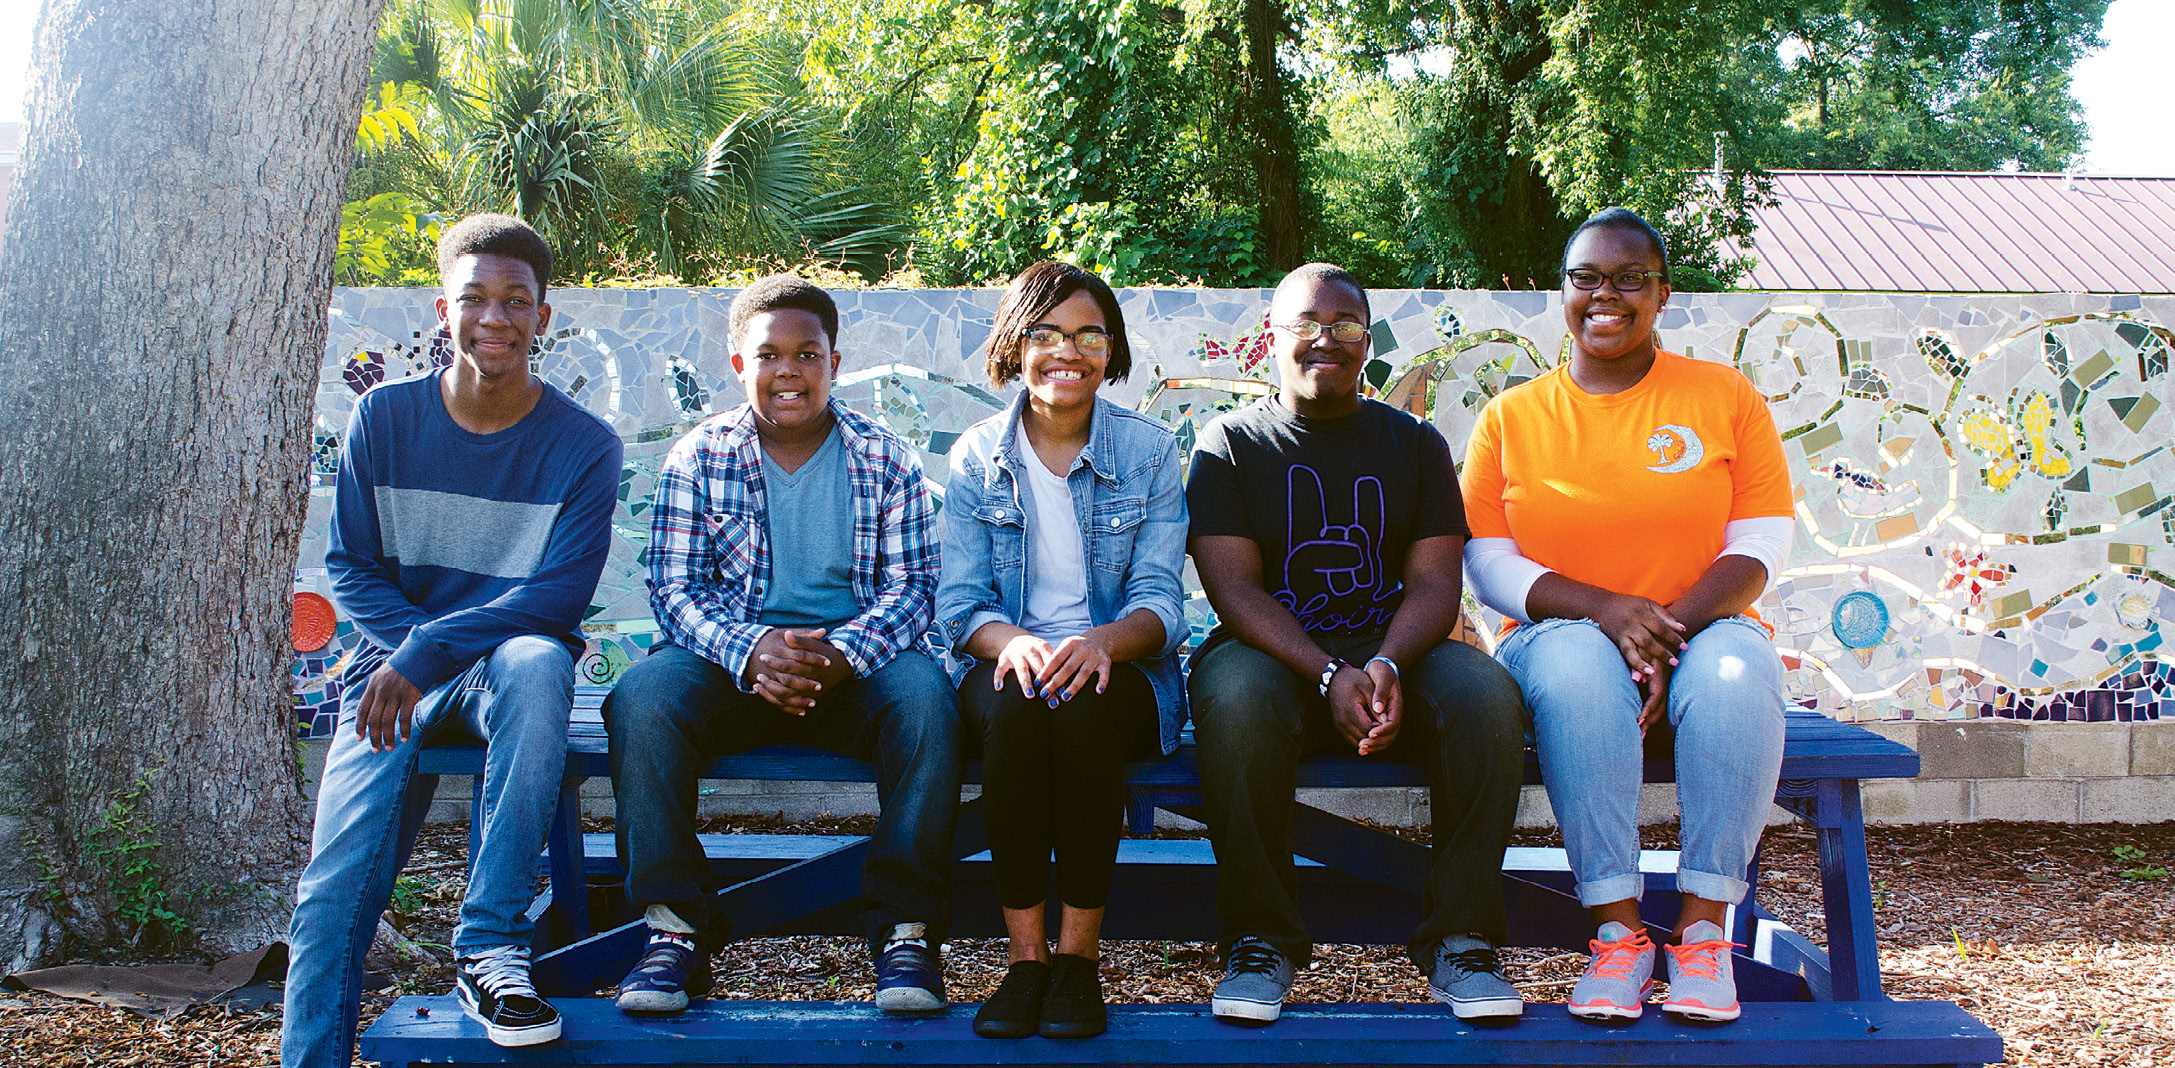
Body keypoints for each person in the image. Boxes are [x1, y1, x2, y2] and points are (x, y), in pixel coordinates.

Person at [282, 214, 623, 1063]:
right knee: (331, 893)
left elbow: (558, 595)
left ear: (543, 318)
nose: (494, 318)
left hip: (496, 669)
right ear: (445, 310)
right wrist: (413, 655)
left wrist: (430, 650)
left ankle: (489, 945)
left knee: (540, 657)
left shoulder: (585, 446)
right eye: (475, 299)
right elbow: (351, 567)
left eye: (516, 301)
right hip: (390, 672)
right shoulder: (384, 420)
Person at [1460, 207, 1795, 1024]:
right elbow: (1487, 560)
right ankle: (1616, 935)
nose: (1604, 295)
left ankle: (1704, 934)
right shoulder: (1511, 416)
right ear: (1562, 293)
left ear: (1661, 293)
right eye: (1585, 278)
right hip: (1556, 632)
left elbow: (1761, 545)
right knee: (1577, 672)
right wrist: (1611, 614)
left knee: (1736, 674)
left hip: (1704, 625)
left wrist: (1665, 630)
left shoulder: (1724, 396)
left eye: (1628, 278)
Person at [604, 275, 960, 1018]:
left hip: (856, 667)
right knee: (641, 699)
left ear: (835, 361)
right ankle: (674, 929)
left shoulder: (883, 456)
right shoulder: (699, 457)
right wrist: (754, 650)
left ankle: (905, 929)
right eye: (769, 355)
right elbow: (674, 589)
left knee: (928, 698)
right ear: (740, 365)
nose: (789, 371)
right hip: (730, 667)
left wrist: (839, 657)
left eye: (808, 353)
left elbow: (916, 588)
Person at [1186, 263, 1529, 1026]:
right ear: (1270, 339)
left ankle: (1462, 939)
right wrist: (1326, 671)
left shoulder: (1414, 444)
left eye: (1345, 326)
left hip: (1395, 657)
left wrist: (1379, 664)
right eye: (1306, 324)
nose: (1325, 341)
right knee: (1235, 702)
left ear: (1366, 342)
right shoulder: (1230, 445)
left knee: (1485, 699)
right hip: (1273, 656)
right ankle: (1259, 940)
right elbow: (1233, 590)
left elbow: (1436, 585)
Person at [934, 262, 1188, 1040]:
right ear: (1015, 345)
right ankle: (1025, 962)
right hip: (1005, 669)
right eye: (1044, 334)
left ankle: (1077, 960)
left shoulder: (1147, 451)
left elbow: (1161, 601)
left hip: (1127, 671)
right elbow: (957, 606)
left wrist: (1102, 643)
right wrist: (1012, 643)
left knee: (1081, 710)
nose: (1065, 351)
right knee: (1016, 709)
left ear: (1109, 352)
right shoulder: (977, 457)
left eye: (1087, 334)